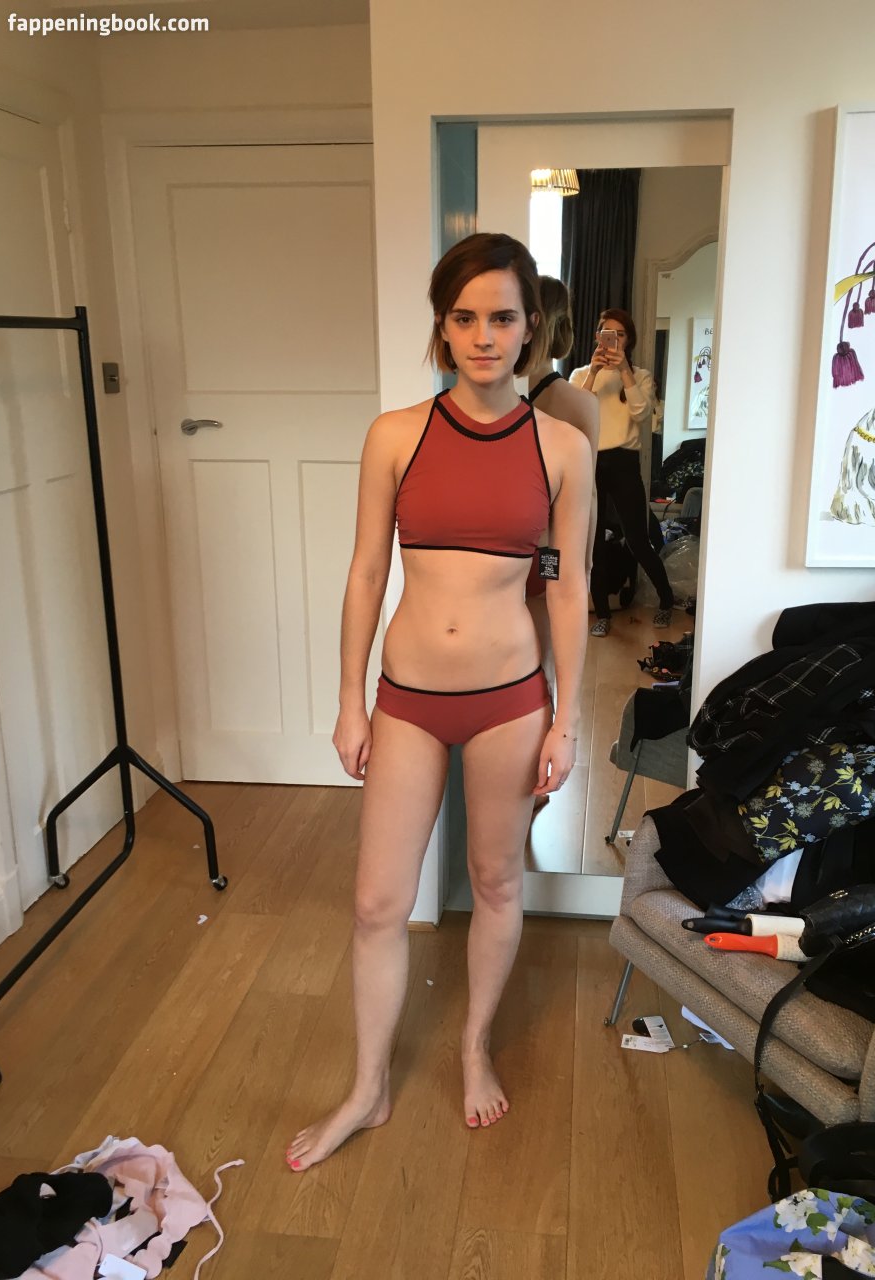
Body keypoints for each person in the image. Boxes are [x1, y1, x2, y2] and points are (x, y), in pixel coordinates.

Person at [286, 233, 592, 1171]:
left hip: (510, 702)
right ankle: (368, 1088)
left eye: (502, 317)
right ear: (443, 326)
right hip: (408, 701)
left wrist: (567, 718)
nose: (484, 336)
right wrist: (350, 703)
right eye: (465, 318)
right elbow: (365, 572)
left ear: (531, 326)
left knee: (496, 882)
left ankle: (473, 1047)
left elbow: (569, 588)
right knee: (377, 901)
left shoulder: (564, 447)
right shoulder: (395, 434)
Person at [569, 309, 675, 635]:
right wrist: (593, 372)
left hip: (625, 462)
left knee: (638, 540)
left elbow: (642, 414)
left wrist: (625, 370)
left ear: (629, 341)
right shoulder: (579, 375)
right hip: (590, 461)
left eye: (620, 335)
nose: (613, 340)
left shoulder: (640, 376)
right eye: (607, 333)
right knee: (594, 543)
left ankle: (666, 600)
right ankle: (602, 613)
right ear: (597, 337)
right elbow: (574, 415)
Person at [524, 275, 599, 690]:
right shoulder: (580, 403)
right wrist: (585, 565)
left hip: (508, 554)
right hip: (550, 554)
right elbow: (588, 495)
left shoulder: (498, 402)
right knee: (544, 668)